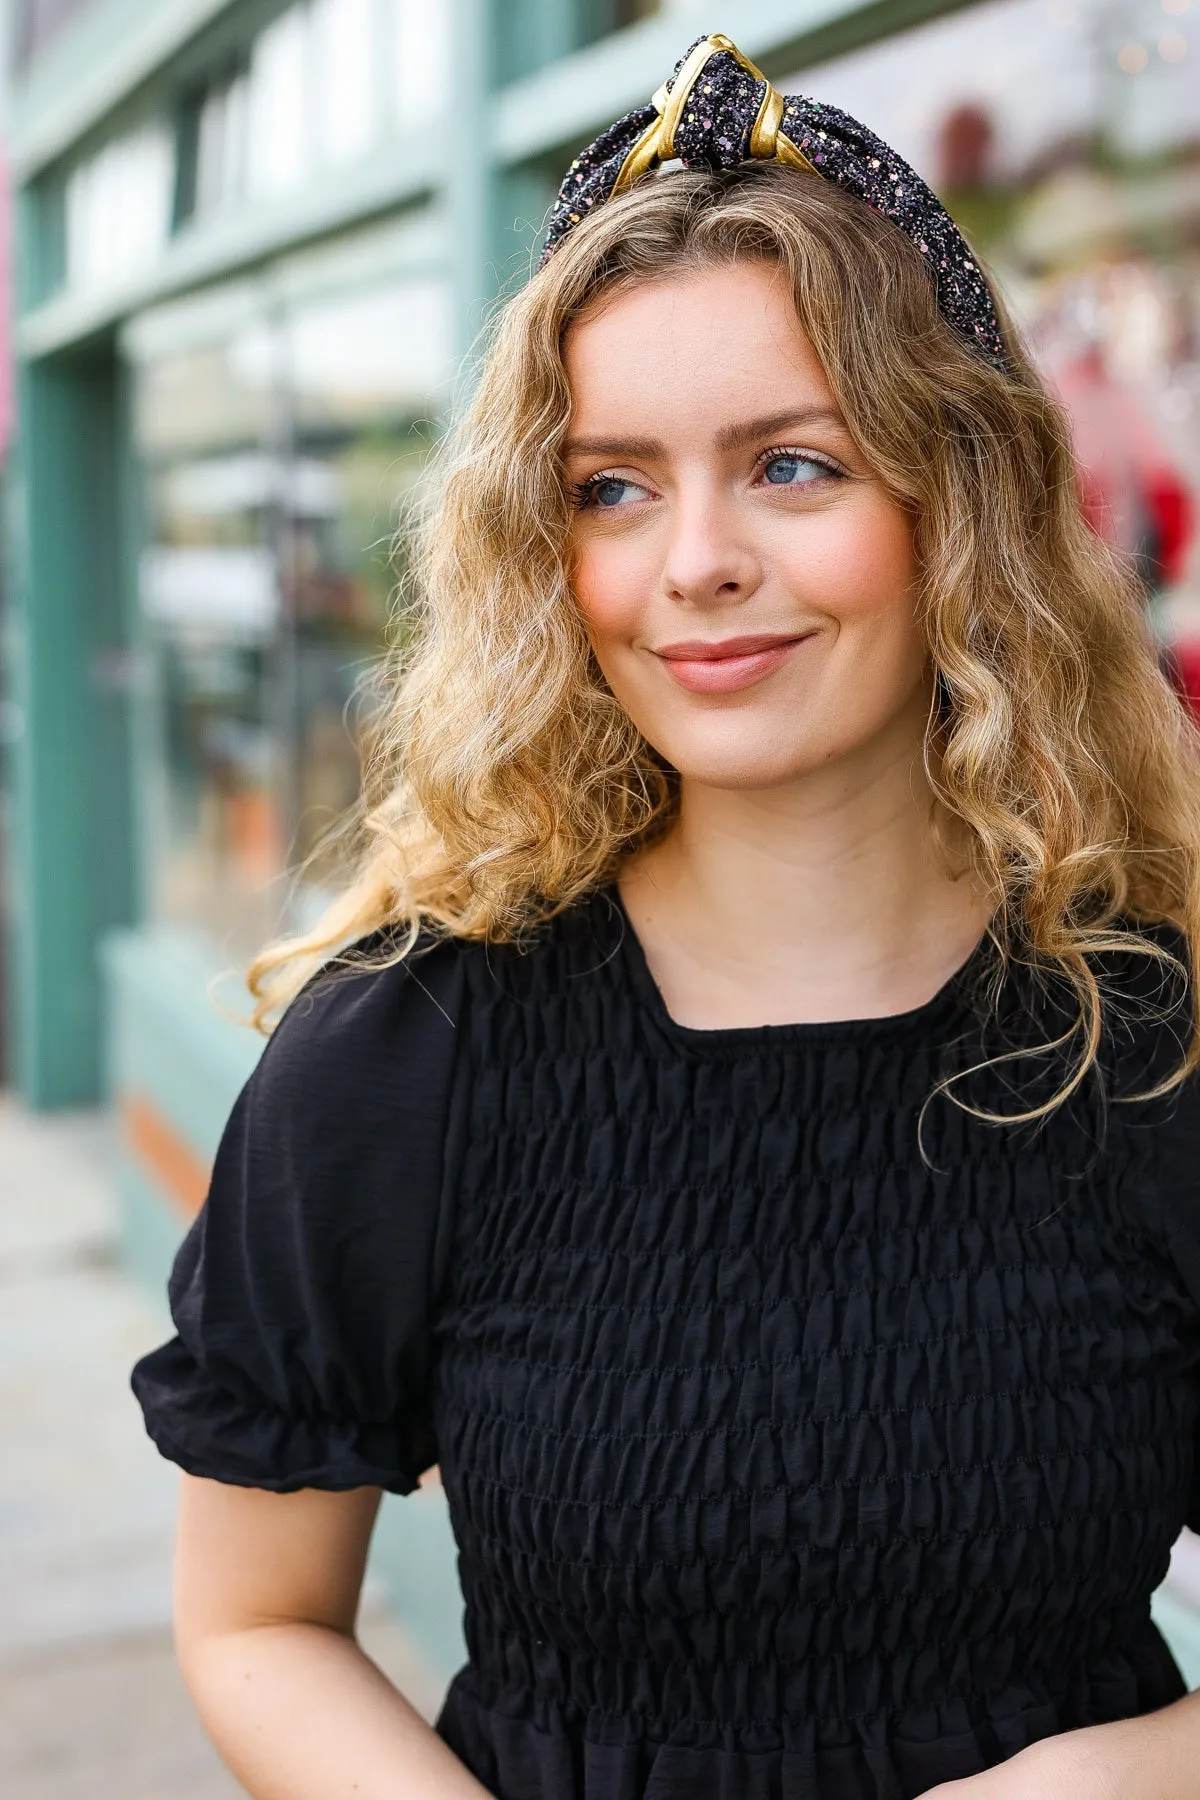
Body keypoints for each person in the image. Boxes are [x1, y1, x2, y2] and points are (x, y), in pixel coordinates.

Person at [132, 35, 1200, 1800]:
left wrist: (1110, 1783)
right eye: (611, 486)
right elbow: (257, 1624)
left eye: (793, 464)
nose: (691, 559)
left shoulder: (1148, 1037)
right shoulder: (409, 1049)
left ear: (962, 509)